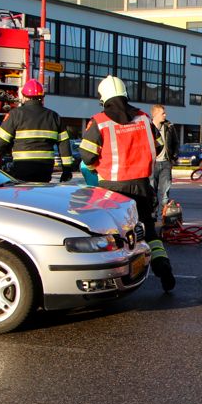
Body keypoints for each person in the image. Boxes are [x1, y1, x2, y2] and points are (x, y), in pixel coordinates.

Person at [79, 76, 176, 292]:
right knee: (148, 230)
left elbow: (87, 155)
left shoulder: (99, 121)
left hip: (111, 189)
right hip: (141, 185)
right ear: (125, 94)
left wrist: (97, 166)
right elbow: (159, 146)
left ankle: (115, 278)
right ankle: (163, 267)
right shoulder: (143, 118)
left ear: (103, 98)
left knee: (112, 235)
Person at [0, 79, 73, 183]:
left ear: (24, 96)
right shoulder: (54, 116)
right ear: (42, 97)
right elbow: (64, 145)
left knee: (23, 191)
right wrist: (67, 170)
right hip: (45, 168)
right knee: (41, 191)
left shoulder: (16, 114)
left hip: (22, 166)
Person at [151, 104, 178, 220]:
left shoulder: (169, 126)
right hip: (152, 164)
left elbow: (175, 143)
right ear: (155, 114)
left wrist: (173, 159)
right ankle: (152, 216)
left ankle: (164, 216)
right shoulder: (148, 127)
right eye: (163, 113)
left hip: (166, 163)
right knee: (152, 192)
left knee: (165, 193)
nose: (165, 115)